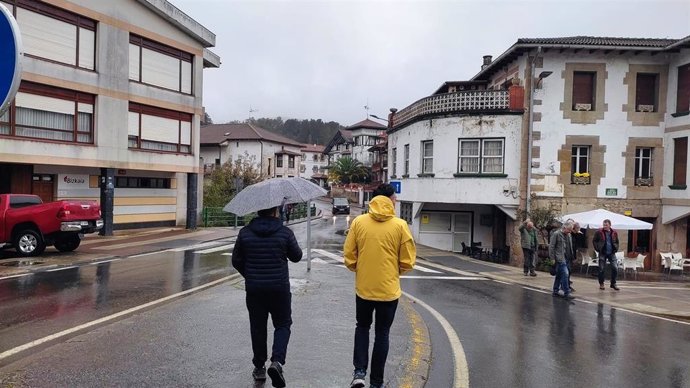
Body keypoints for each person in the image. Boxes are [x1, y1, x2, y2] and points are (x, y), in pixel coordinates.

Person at [344, 183, 416, 388]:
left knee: (362, 327)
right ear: (389, 200)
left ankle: (359, 373)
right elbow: (408, 261)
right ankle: (376, 382)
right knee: (382, 334)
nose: (396, 201)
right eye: (394, 198)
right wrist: (394, 272)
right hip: (388, 291)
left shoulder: (359, 222)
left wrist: (362, 269)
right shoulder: (400, 225)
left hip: (364, 289)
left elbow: (349, 256)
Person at [231, 205, 303, 388]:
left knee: (258, 327)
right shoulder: (285, 232)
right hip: (279, 288)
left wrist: (249, 274)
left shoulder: (245, 233)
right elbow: (297, 256)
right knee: (283, 324)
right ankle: (277, 362)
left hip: (255, 289)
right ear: (275, 211)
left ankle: (259, 367)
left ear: (258, 210)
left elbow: (236, 260)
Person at [549, 221, 575, 300]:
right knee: (565, 274)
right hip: (560, 258)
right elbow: (551, 247)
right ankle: (566, 292)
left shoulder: (569, 235)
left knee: (559, 275)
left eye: (571, 230)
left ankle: (555, 291)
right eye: (569, 230)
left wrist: (571, 257)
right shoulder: (556, 234)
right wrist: (552, 258)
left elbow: (569, 247)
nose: (570, 232)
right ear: (564, 228)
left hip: (567, 258)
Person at [592, 219, 620, 291]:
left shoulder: (614, 232)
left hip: (611, 253)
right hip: (603, 252)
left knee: (615, 268)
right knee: (601, 269)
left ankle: (613, 283)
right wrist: (597, 248)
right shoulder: (599, 232)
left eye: (606, 225)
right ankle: (601, 283)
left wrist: (616, 248)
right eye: (604, 225)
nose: (604, 226)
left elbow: (617, 241)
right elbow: (594, 240)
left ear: (610, 225)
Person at [569, 221, 587, 292]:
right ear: (574, 228)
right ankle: (565, 285)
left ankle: (565, 284)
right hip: (568, 254)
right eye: (578, 228)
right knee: (567, 270)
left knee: (569, 270)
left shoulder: (577, 235)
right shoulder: (570, 234)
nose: (579, 230)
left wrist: (579, 235)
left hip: (572, 254)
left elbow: (579, 244)